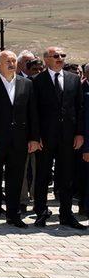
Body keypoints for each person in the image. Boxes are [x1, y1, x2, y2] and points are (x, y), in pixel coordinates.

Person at [0, 50, 40, 228]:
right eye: (7, 61)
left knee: (16, 179)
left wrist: (34, 138)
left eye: (14, 60)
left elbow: (32, 113)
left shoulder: (26, 84)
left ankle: (14, 215)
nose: (12, 63)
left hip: (19, 142)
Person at [32, 47, 86, 229]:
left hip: (68, 137)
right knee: (42, 176)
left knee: (66, 177)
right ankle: (40, 212)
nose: (60, 58)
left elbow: (79, 109)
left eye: (63, 56)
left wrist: (79, 133)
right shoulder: (37, 81)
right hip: (45, 138)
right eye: (56, 56)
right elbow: (34, 112)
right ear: (46, 59)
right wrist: (35, 136)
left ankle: (66, 214)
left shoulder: (73, 79)